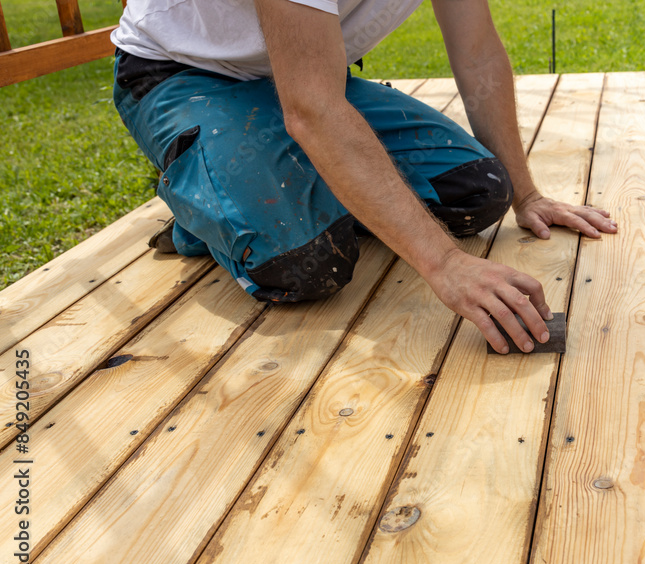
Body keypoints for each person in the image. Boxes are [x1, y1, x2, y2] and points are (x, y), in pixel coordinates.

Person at [110, 0, 617, 354]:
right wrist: (444, 264)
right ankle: (200, 203)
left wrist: (525, 194)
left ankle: (271, 173)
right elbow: (311, 108)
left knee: (478, 190)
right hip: (182, 74)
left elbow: (477, 51)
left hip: (301, 67)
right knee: (305, 263)